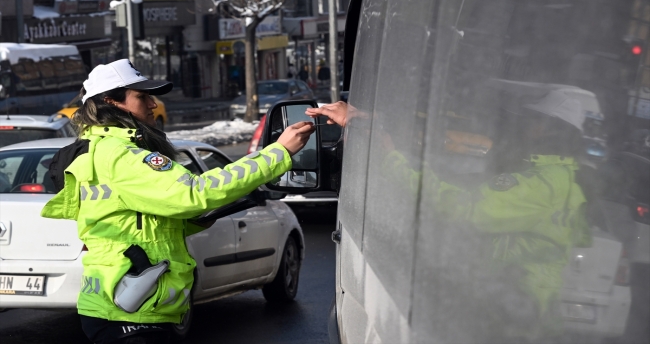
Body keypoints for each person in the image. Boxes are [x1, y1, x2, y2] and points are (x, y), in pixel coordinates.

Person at [41, 59, 315, 344]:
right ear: (111, 101)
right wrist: (277, 153)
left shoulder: (100, 150)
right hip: (131, 313)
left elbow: (133, 223)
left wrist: (191, 222)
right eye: (142, 96)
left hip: (123, 306)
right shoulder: (121, 155)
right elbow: (194, 193)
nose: (152, 104)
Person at [307, 91, 592, 341]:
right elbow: (451, 146)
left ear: (553, 131)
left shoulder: (544, 184)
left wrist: (390, 158)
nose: (525, 126)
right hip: (514, 311)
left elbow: (462, 207)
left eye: (535, 120)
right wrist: (374, 120)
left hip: (513, 317)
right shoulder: (554, 176)